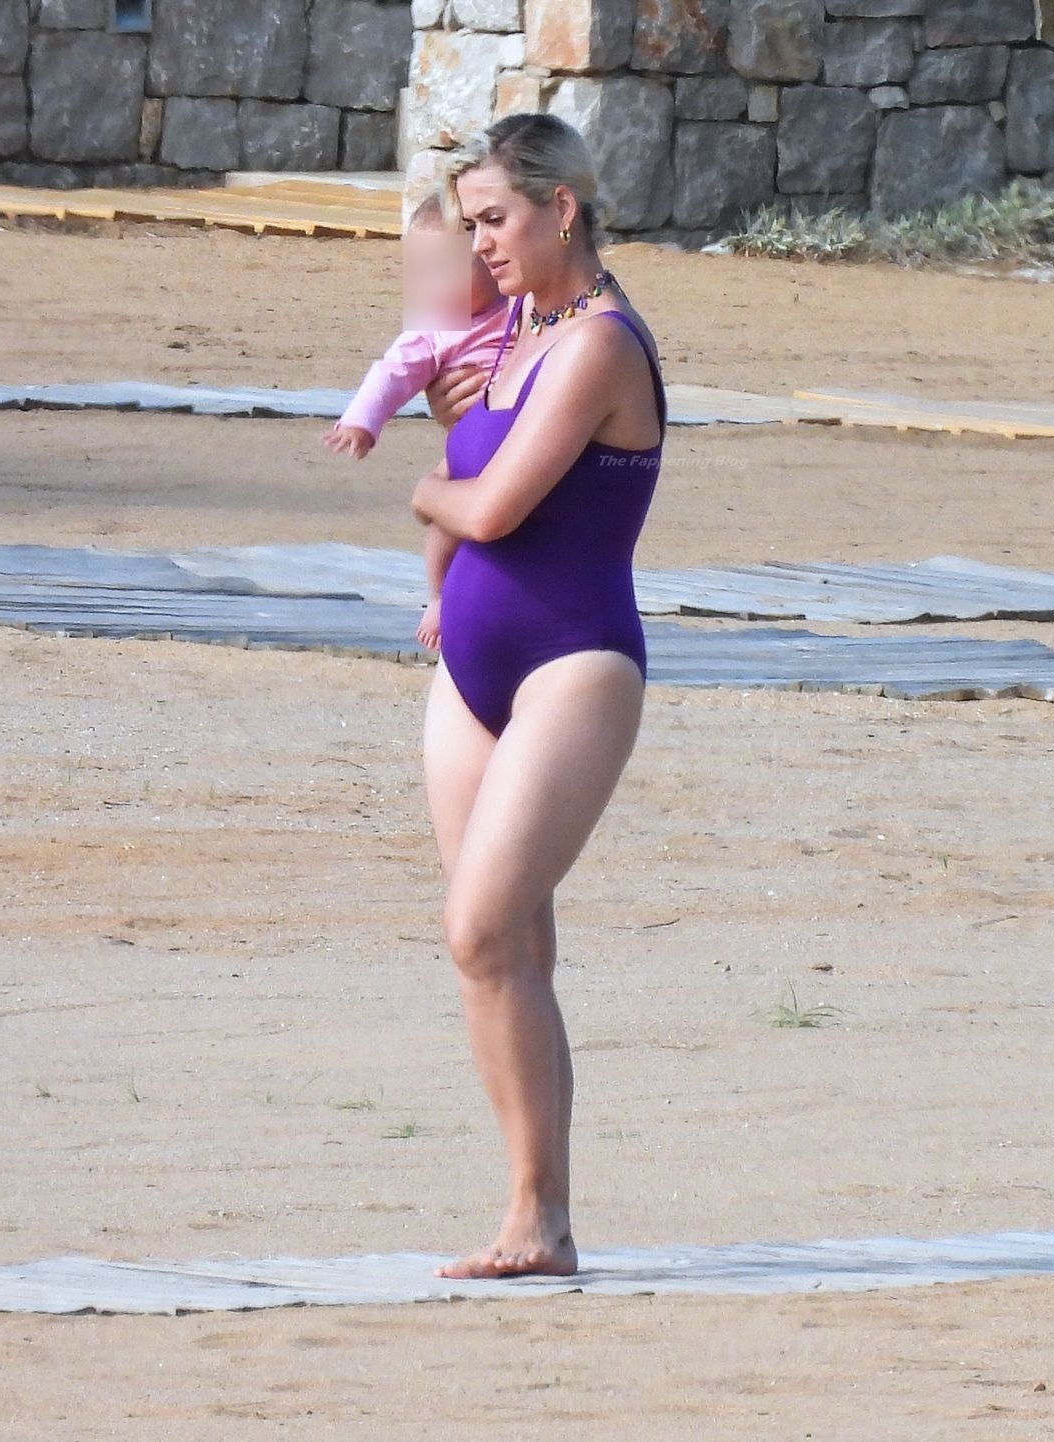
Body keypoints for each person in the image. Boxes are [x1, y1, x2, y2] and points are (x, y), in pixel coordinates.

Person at [407, 112, 666, 1280]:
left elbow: (493, 506)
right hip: (472, 670)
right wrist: (446, 433)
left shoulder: (601, 343)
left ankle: (540, 1216)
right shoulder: (512, 331)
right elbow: (472, 459)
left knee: (480, 924)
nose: (481, 245)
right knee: (501, 947)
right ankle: (533, 1210)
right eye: (471, 224)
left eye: (497, 220)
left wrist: (428, 491)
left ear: (562, 207)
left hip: (575, 661)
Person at [322, 193, 521, 649]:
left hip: (524, 439)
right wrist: (362, 422)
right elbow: (394, 370)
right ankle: (438, 594)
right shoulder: (437, 328)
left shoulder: (522, 305)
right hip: (472, 446)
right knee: (445, 513)